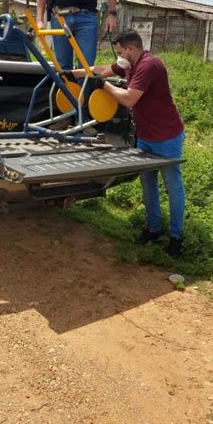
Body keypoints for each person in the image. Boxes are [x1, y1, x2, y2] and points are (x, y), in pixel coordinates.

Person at [73, 29, 185, 256]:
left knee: (172, 186)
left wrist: (103, 85)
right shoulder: (129, 64)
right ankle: (153, 228)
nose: (118, 57)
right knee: (148, 183)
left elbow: (128, 98)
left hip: (166, 137)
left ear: (131, 49)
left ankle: (176, 237)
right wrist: (73, 73)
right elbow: (102, 70)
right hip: (145, 136)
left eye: (119, 52)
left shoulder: (148, 65)